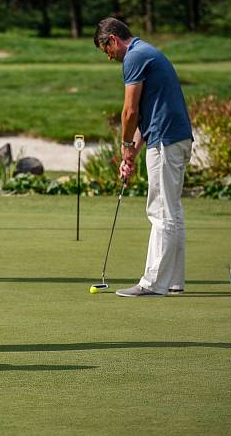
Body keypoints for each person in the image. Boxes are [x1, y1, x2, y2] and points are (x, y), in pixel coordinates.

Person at [94, 17, 193, 298]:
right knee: (172, 211)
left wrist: (125, 144)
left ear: (112, 39)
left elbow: (130, 111)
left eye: (107, 51)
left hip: (166, 140)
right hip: (173, 137)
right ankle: (173, 281)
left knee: (161, 211)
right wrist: (131, 155)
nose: (110, 57)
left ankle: (153, 283)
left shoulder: (134, 57)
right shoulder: (147, 51)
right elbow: (145, 117)